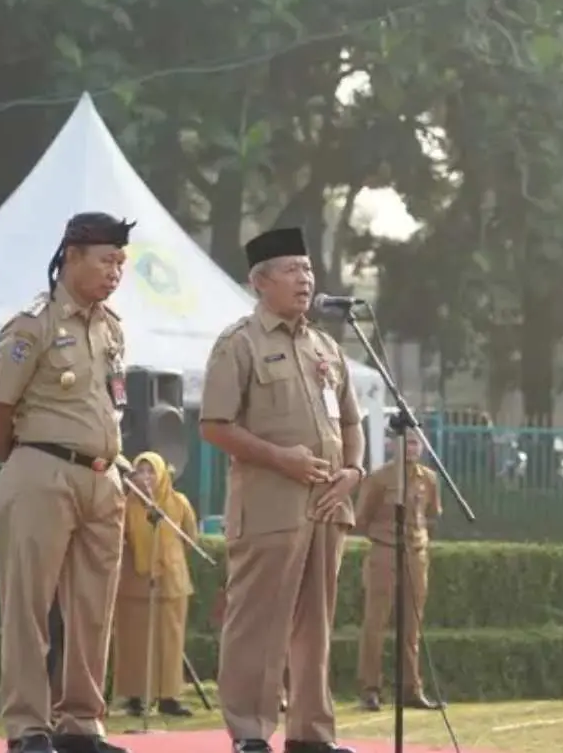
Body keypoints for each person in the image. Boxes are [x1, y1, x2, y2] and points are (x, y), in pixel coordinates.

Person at [201, 226, 365, 753]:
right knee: (258, 623)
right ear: (260, 282)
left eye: (309, 269)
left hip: (326, 506)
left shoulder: (325, 347)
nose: (306, 278)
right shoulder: (240, 344)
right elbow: (215, 425)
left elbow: (352, 423)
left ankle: (311, 734)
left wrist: (354, 472)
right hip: (270, 506)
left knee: (315, 627)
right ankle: (250, 731)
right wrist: (283, 460)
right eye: (293, 269)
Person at [0, 212, 134, 753]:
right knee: (29, 603)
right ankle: (28, 725)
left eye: (121, 262)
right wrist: (24, 463)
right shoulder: (33, 323)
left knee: (94, 607)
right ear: (71, 255)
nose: (115, 271)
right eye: (106, 259)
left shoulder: (110, 326)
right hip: (42, 470)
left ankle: (82, 723)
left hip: (102, 475)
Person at [354, 431, 442, 713]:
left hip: (415, 554)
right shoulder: (379, 478)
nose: (412, 447)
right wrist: (384, 537)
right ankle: (370, 689)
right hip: (384, 551)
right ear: (393, 444)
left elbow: (432, 513)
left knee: (412, 625)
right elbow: (361, 518)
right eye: (407, 441)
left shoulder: (428, 479)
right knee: (375, 623)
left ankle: (410, 688)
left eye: (417, 442)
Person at [113, 451, 198, 718]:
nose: (146, 477)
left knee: (170, 641)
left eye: (151, 471)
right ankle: (136, 697)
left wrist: (168, 560)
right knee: (134, 642)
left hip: (171, 582)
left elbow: (189, 537)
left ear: (162, 474)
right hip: (134, 583)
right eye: (141, 471)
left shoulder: (178, 503)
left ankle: (168, 697)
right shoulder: (125, 506)